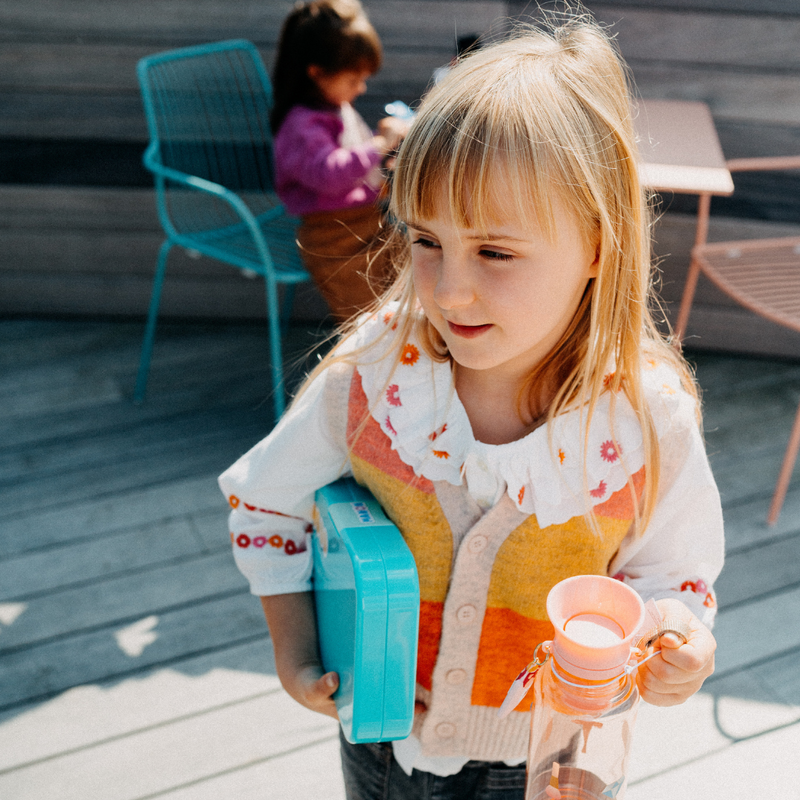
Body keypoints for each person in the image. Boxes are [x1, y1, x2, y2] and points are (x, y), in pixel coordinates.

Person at [220, 13, 724, 800]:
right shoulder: (375, 378)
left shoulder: (645, 421)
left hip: (548, 765)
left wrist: (681, 650)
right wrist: (294, 650)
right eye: (426, 240)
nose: (449, 288)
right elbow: (267, 504)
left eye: (494, 251)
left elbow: (672, 582)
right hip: (379, 744)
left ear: (597, 242)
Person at [271, 0, 409, 322]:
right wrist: (379, 144)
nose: (361, 88)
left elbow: (350, 157)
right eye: (353, 80)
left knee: (399, 301)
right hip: (334, 238)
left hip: (367, 222)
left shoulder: (332, 108)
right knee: (366, 320)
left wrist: (382, 143)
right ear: (317, 72)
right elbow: (330, 172)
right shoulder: (300, 126)